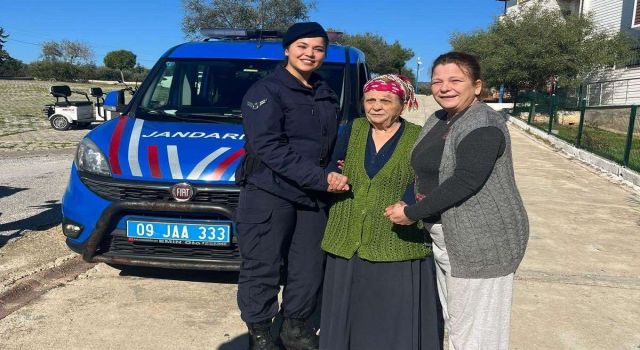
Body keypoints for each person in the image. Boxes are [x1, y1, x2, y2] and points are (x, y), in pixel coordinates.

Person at [385, 52, 529, 350]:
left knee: (476, 334)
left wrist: (412, 212)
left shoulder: (483, 123)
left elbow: (465, 180)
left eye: (455, 80)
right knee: (458, 323)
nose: (444, 87)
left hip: (482, 240)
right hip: (449, 235)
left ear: (476, 86)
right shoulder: (439, 118)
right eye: (437, 80)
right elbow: (425, 172)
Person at [235, 22, 349, 350]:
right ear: (287, 49)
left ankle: (295, 328)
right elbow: (268, 147)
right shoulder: (265, 92)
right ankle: (260, 334)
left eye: (317, 48)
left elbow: (327, 144)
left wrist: (334, 168)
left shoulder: (325, 92)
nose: (310, 54)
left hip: (312, 196)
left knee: (309, 267)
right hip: (269, 192)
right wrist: (321, 177)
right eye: (302, 46)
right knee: (262, 266)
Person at [320, 74, 443, 350]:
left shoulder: (416, 136)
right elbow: (332, 165)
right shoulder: (351, 129)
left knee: (387, 319)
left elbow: (424, 179)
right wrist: (332, 177)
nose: (376, 106)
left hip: (395, 241)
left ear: (402, 104)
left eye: (385, 100)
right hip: (347, 240)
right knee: (346, 317)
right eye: (370, 100)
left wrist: (409, 205)